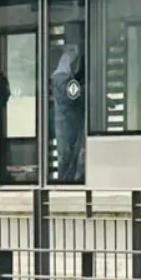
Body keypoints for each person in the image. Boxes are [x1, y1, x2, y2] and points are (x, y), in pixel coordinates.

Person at [51, 44, 85, 183]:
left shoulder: (61, 78)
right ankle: (65, 182)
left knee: (67, 155)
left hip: (66, 123)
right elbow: (73, 95)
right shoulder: (62, 79)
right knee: (67, 156)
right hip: (67, 124)